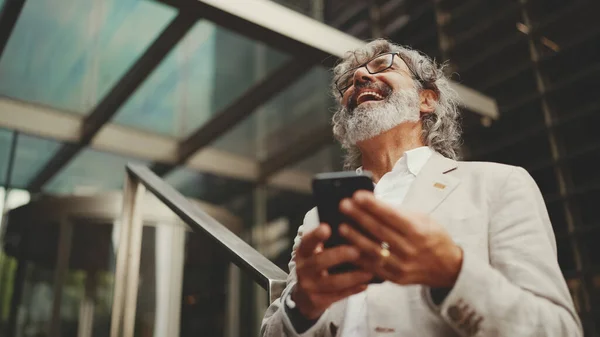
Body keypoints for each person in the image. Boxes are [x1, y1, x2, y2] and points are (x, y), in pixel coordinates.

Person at [261, 38, 582, 337]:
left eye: (383, 65)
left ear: (426, 99)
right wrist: (302, 305)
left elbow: (558, 328)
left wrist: (454, 274)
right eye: (346, 82)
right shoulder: (317, 218)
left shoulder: (499, 184)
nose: (358, 77)